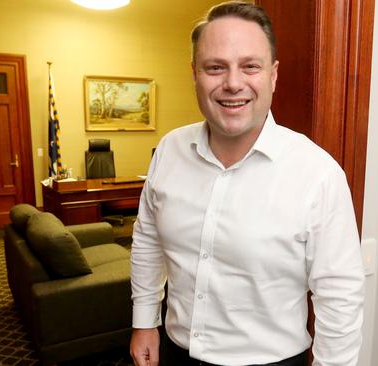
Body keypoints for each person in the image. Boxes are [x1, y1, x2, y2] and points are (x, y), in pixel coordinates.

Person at [129, 2, 365, 365]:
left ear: (272, 75)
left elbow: (340, 296)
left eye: (250, 66)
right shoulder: (169, 151)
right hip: (176, 354)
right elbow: (148, 238)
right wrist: (145, 321)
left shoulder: (318, 173)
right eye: (215, 67)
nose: (233, 83)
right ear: (195, 74)